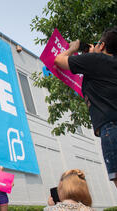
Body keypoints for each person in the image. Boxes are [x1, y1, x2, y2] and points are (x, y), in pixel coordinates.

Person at [54, 26, 117, 188]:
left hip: (111, 129)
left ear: (102, 45)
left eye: (97, 43)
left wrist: (73, 48)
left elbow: (58, 61)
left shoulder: (96, 60)